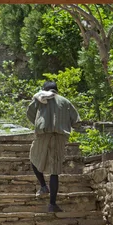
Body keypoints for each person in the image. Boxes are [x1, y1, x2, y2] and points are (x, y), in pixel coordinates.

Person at [27, 81, 80, 212]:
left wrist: (39, 121)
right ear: (56, 90)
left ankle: (43, 186)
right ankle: (52, 204)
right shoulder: (65, 101)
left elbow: (30, 113)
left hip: (43, 134)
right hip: (60, 137)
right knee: (54, 171)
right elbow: (76, 120)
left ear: (45, 89)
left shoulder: (40, 98)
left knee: (33, 158)